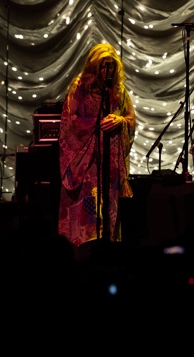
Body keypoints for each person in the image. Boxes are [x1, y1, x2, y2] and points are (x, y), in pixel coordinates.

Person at [57, 43, 135, 246]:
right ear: (93, 66)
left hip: (111, 163)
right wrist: (95, 126)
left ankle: (109, 249)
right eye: (102, 65)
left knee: (109, 208)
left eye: (110, 66)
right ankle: (85, 249)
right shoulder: (80, 87)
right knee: (88, 212)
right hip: (86, 163)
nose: (106, 70)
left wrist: (121, 122)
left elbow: (131, 119)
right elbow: (69, 122)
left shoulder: (118, 90)